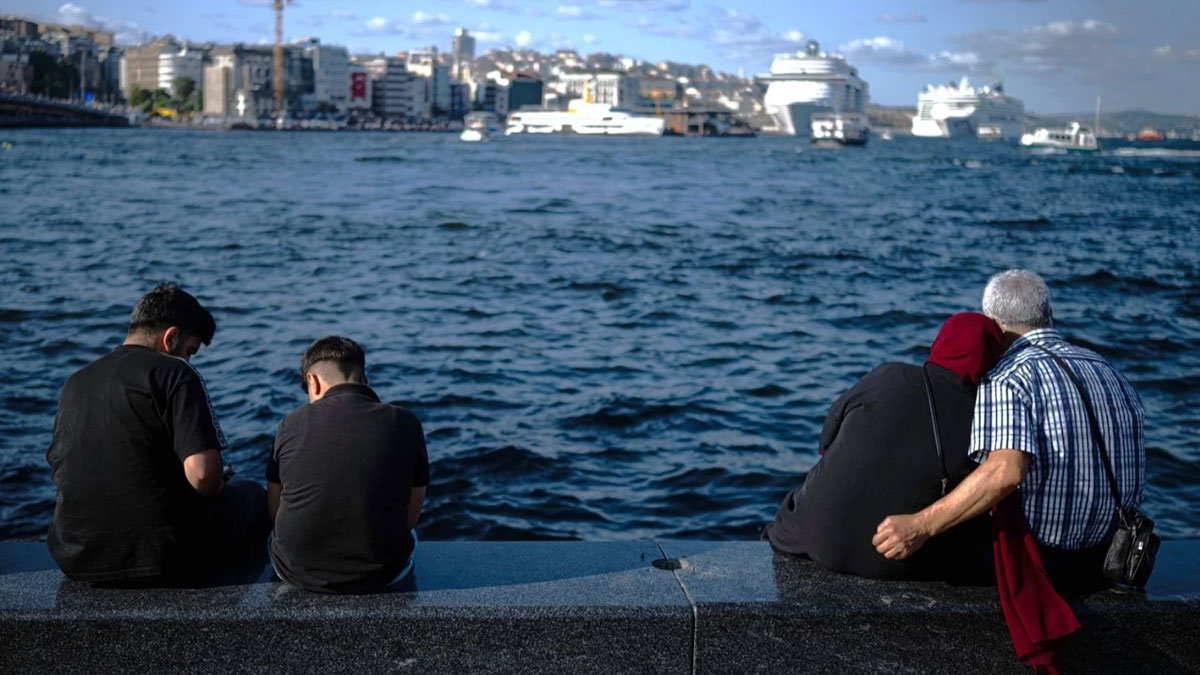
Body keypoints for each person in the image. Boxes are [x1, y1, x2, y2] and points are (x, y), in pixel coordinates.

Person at [873, 269, 1145, 593]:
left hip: (1049, 562)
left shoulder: (1008, 377)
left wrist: (921, 525)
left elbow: (1006, 472)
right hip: (1113, 555)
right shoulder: (1109, 371)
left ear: (995, 326)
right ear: (1047, 315)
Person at [46, 283, 269, 586]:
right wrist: (215, 484)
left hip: (74, 556)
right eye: (190, 351)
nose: (189, 360)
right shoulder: (175, 373)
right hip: (162, 557)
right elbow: (203, 476)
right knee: (253, 496)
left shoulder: (74, 382)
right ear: (171, 337)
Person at [764, 312, 1004, 581]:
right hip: (888, 557)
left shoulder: (888, 375)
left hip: (805, 536)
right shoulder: (985, 419)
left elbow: (826, 443)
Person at [267, 336, 429, 594]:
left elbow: (275, 509)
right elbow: (411, 512)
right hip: (383, 574)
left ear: (313, 381)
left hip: (297, 572)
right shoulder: (406, 422)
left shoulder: (290, 423)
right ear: (365, 381)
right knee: (412, 537)